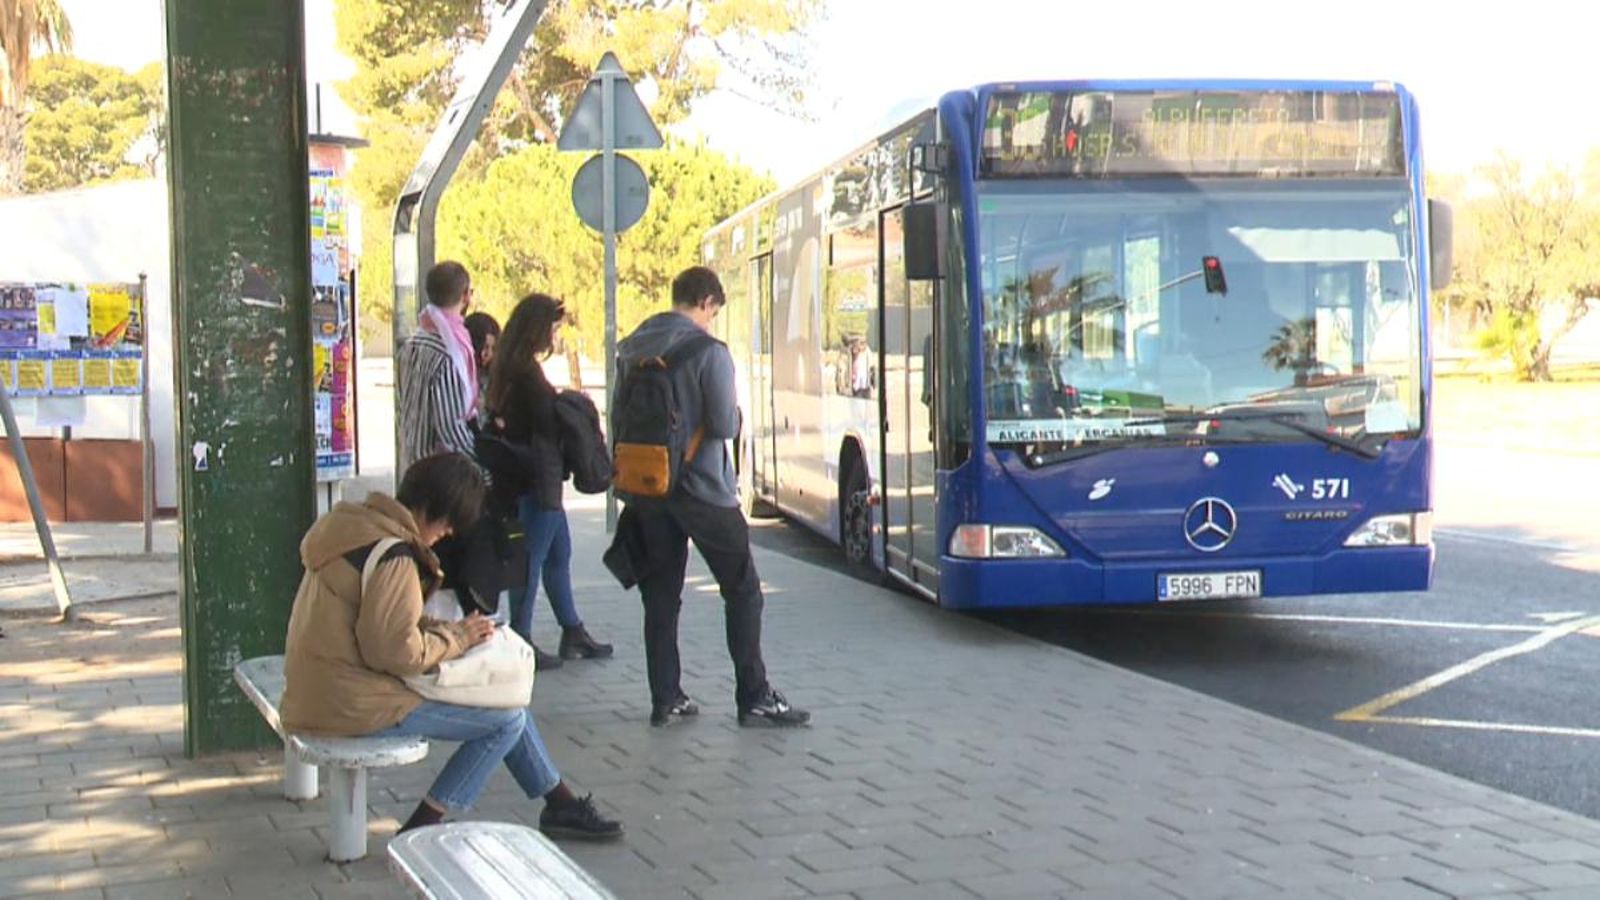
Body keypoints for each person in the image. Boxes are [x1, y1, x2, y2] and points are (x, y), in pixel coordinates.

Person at [279, 452, 622, 841]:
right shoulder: (395, 555)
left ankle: (560, 803)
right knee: (506, 719)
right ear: (433, 510)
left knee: (505, 709)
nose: (447, 535)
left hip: (317, 689)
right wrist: (457, 639)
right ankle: (421, 828)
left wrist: (451, 629)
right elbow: (394, 653)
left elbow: (376, 619)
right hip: (348, 704)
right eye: (447, 526)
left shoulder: (353, 525)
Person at [613, 266, 810, 728]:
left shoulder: (631, 346)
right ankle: (754, 695)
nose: (713, 320)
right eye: (714, 311)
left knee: (660, 595)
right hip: (704, 491)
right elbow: (723, 425)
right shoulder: (709, 351)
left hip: (650, 489)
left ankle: (666, 697)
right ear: (706, 302)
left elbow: (618, 419)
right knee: (742, 589)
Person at [485, 293, 612, 666]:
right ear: (538, 328)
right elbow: (540, 422)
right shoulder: (525, 373)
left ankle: (572, 630)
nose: (556, 335)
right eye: (554, 327)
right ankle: (521, 637)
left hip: (529, 476)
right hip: (537, 480)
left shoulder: (509, 367)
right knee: (533, 559)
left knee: (558, 554)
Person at [397, 261, 479, 471]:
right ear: (465, 295)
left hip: (413, 461)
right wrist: (482, 464)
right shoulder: (449, 352)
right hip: (441, 472)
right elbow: (450, 425)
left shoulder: (412, 344)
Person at [464, 311, 501, 415]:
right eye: (484, 347)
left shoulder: (494, 377)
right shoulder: (456, 374)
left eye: (493, 348)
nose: (488, 354)